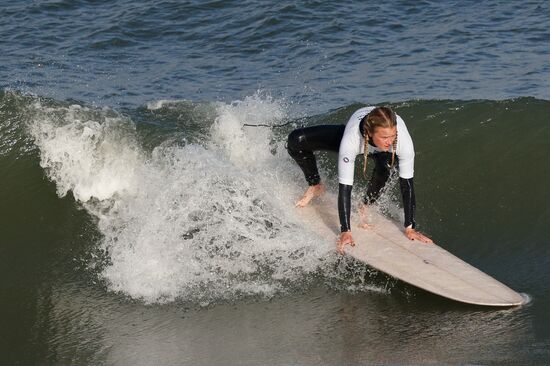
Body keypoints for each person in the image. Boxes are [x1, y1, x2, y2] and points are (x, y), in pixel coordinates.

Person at [287, 106, 433, 254]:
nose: (390, 142)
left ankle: (366, 204)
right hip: (358, 138)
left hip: (381, 152)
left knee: (386, 164)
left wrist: (410, 228)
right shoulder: (352, 139)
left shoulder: (402, 141)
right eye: (384, 137)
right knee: (296, 140)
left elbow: (407, 185)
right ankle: (315, 185)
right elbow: (345, 187)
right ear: (369, 133)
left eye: (393, 135)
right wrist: (345, 231)